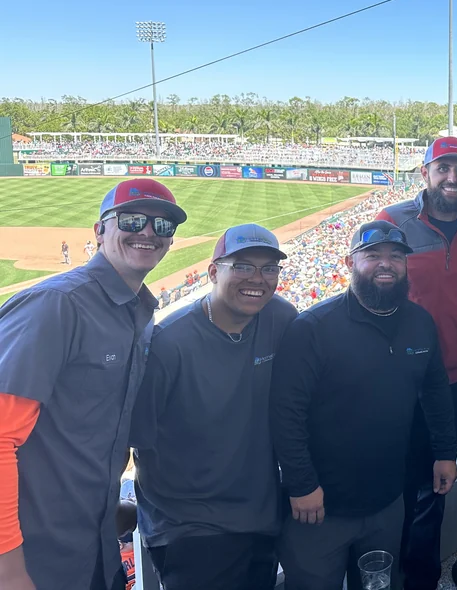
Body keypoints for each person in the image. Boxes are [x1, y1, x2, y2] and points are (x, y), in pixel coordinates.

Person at [0, 179, 184, 590]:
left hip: (96, 549)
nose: (149, 232)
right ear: (99, 231)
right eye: (133, 220)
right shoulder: (58, 305)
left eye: (163, 225)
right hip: (35, 561)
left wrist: (107, 504)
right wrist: (8, 568)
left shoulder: (137, 311)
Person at [270, 221, 457, 590]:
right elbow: (285, 414)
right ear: (349, 262)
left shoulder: (420, 322)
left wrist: (445, 451)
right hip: (320, 506)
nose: (385, 264)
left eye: (396, 256)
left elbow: (435, 390)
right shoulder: (313, 328)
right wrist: (302, 485)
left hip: (388, 500)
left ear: (407, 265)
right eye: (372, 255)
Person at [129, 224, 298, 590]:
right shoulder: (167, 343)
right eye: (242, 266)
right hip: (190, 527)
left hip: (260, 515)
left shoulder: (281, 319)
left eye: (269, 268)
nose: (258, 278)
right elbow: (135, 440)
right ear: (212, 272)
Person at [376, 137, 457, 590]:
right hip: (399, 381)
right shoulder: (392, 220)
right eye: (443, 168)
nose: (452, 178)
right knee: (397, 486)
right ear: (424, 173)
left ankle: (421, 580)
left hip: (456, 378)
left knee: (437, 484)